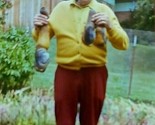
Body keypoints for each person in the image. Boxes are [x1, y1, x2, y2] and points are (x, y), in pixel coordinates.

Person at [32, 0, 129, 125]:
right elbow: (41, 36)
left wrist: (110, 26)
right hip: (66, 72)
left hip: (95, 73)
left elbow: (123, 44)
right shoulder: (60, 9)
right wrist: (38, 27)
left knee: (90, 119)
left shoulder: (104, 10)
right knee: (63, 118)